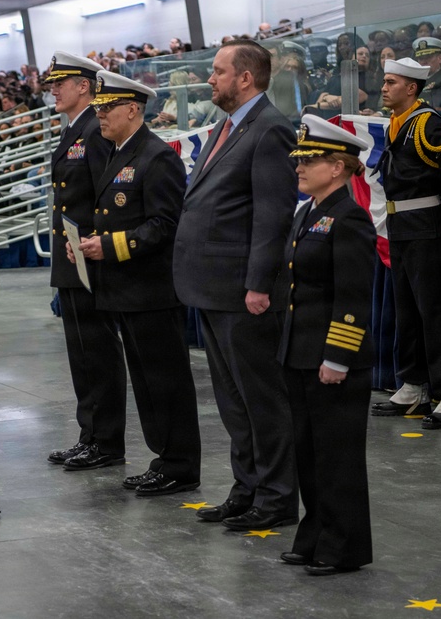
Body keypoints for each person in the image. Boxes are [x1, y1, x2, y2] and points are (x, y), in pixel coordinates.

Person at [173, 39, 300, 531]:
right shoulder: (227, 127)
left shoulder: (269, 129)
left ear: (245, 78)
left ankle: (276, 496)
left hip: (243, 292)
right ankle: (246, 487)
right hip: (211, 289)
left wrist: (258, 283)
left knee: (260, 399)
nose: (211, 79)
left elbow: (272, 215)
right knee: (231, 399)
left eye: (219, 71)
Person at [72, 70, 201, 496]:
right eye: (98, 109)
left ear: (132, 109)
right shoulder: (119, 152)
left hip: (151, 290)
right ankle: (164, 457)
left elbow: (165, 225)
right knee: (146, 383)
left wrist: (108, 248)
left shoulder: (156, 155)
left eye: (107, 109)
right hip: (126, 290)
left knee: (165, 382)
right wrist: (90, 243)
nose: (100, 117)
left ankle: (180, 464)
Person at [277, 114, 375, 576]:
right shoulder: (309, 212)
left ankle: (343, 547)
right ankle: (315, 535)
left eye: (309, 160)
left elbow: (352, 296)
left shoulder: (350, 218)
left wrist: (338, 356)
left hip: (332, 358)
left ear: (338, 167)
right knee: (309, 455)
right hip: (300, 353)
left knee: (337, 459)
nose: (299, 168)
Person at [369, 58, 441, 428]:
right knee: (407, 311)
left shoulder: (426, 123)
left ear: (411, 88)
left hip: (424, 223)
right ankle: (414, 383)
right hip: (400, 224)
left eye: (391, 82)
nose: (383, 88)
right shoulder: (398, 123)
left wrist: (434, 197)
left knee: (436, 312)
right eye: (384, 82)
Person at [39, 52, 128, 471]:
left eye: (62, 82)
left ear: (85, 86)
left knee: (97, 351)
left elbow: (102, 196)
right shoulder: (74, 129)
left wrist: (95, 245)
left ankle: (106, 440)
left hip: (87, 257)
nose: (53, 89)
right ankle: (90, 434)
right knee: (81, 352)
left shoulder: (93, 130)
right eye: (52, 83)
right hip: (70, 256)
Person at [414, 37, 441, 114]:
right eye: (420, 58)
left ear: (440, 58)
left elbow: (440, 104)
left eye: (428, 57)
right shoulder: (416, 79)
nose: (423, 62)